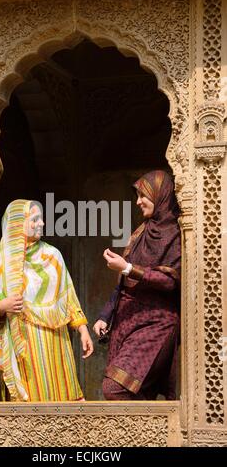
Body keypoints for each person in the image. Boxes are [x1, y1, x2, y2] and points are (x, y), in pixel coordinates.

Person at [0, 199, 93, 402]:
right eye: (35, 219)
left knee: (60, 395)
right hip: (22, 343)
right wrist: (1, 306)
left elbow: (68, 296)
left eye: (41, 219)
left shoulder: (53, 256)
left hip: (55, 342)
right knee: (29, 404)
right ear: (18, 223)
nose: (42, 224)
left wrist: (82, 330)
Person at [93, 170, 181, 400]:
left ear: (160, 195)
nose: (138, 201)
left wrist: (129, 268)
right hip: (127, 322)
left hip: (156, 323)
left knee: (115, 388)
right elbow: (123, 282)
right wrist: (105, 315)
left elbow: (171, 281)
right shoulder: (141, 231)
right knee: (136, 394)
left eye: (144, 195)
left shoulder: (174, 234)